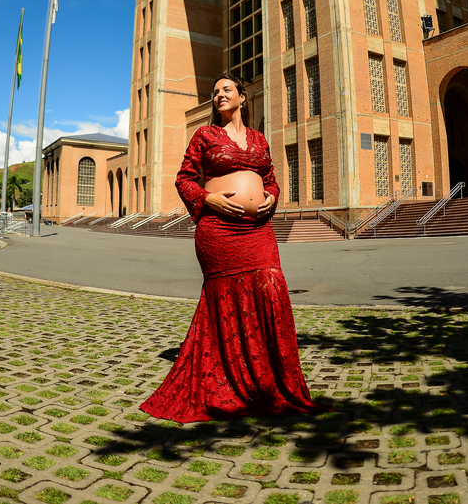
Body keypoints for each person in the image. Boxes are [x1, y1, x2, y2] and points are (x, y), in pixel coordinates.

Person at [140, 71, 328, 423]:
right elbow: (183, 178)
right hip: (219, 231)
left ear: (243, 97)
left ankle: (268, 380)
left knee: (270, 285)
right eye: (215, 92)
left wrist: (271, 196)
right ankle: (228, 378)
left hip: (258, 230)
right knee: (226, 297)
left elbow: (270, 177)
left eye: (226, 90)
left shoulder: (258, 139)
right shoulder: (205, 135)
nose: (219, 95)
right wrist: (208, 198)